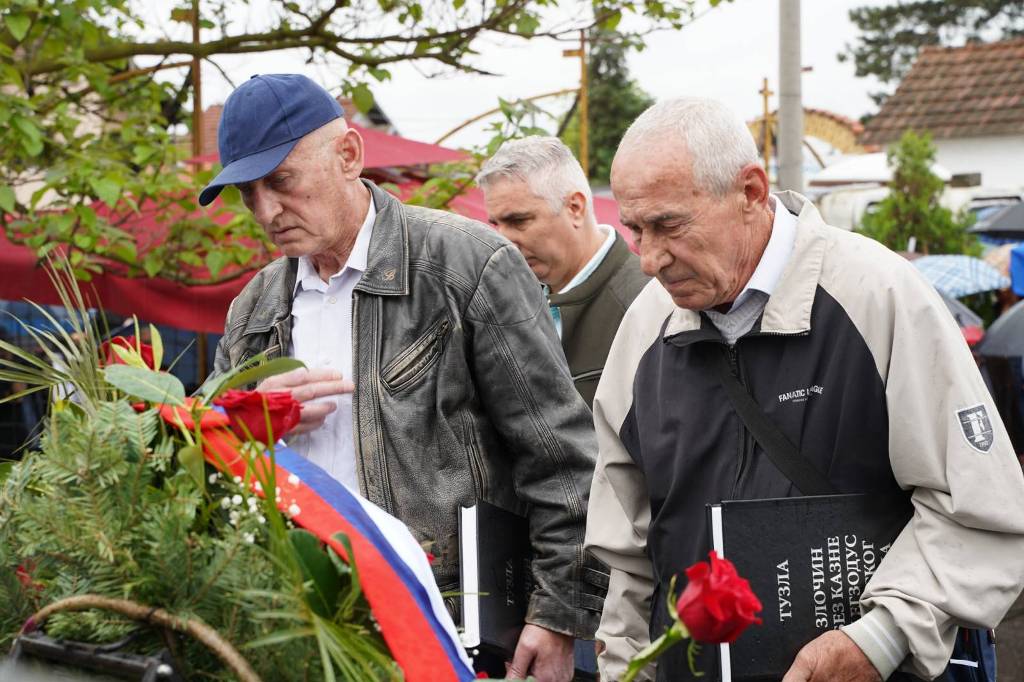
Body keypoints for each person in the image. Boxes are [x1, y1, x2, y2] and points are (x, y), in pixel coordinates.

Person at [584, 97, 1024, 681]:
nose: (649, 259)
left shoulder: (879, 297)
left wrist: (881, 640)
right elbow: (623, 556)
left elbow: (982, 509)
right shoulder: (645, 329)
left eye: (668, 225)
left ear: (750, 192)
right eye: (636, 230)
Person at [199, 74, 603, 681]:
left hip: (450, 629)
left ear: (349, 155)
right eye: (246, 193)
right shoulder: (253, 310)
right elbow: (210, 473)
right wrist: (241, 421)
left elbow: (561, 457)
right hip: (299, 633)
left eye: (280, 181)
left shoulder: (468, 263)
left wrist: (556, 616)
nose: (265, 211)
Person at [477, 137, 649, 407]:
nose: (504, 240)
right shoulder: (505, 303)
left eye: (518, 221)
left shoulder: (647, 302)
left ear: (575, 207)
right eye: (496, 224)